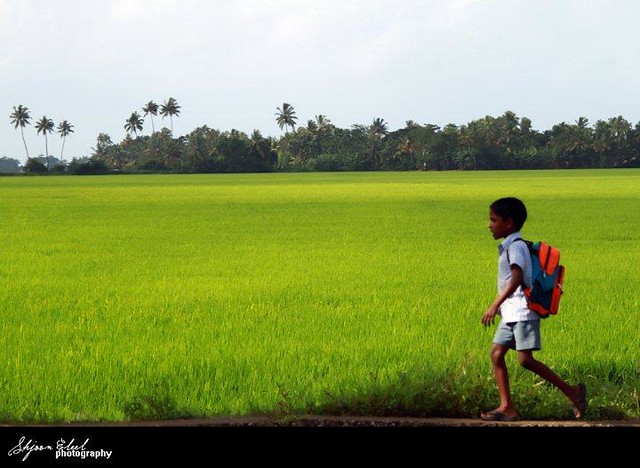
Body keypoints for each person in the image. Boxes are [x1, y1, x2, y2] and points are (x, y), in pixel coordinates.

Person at [480, 197, 587, 421]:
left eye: (493, 220)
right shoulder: (511, 245)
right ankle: (506, 407)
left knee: (525, 359)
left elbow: (517, 277)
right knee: (497, 354)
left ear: (508, 223)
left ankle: (572, 391)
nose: (489, 225)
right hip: (511, 312)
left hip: (522, 311)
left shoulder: (517, 247)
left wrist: (494, 305)